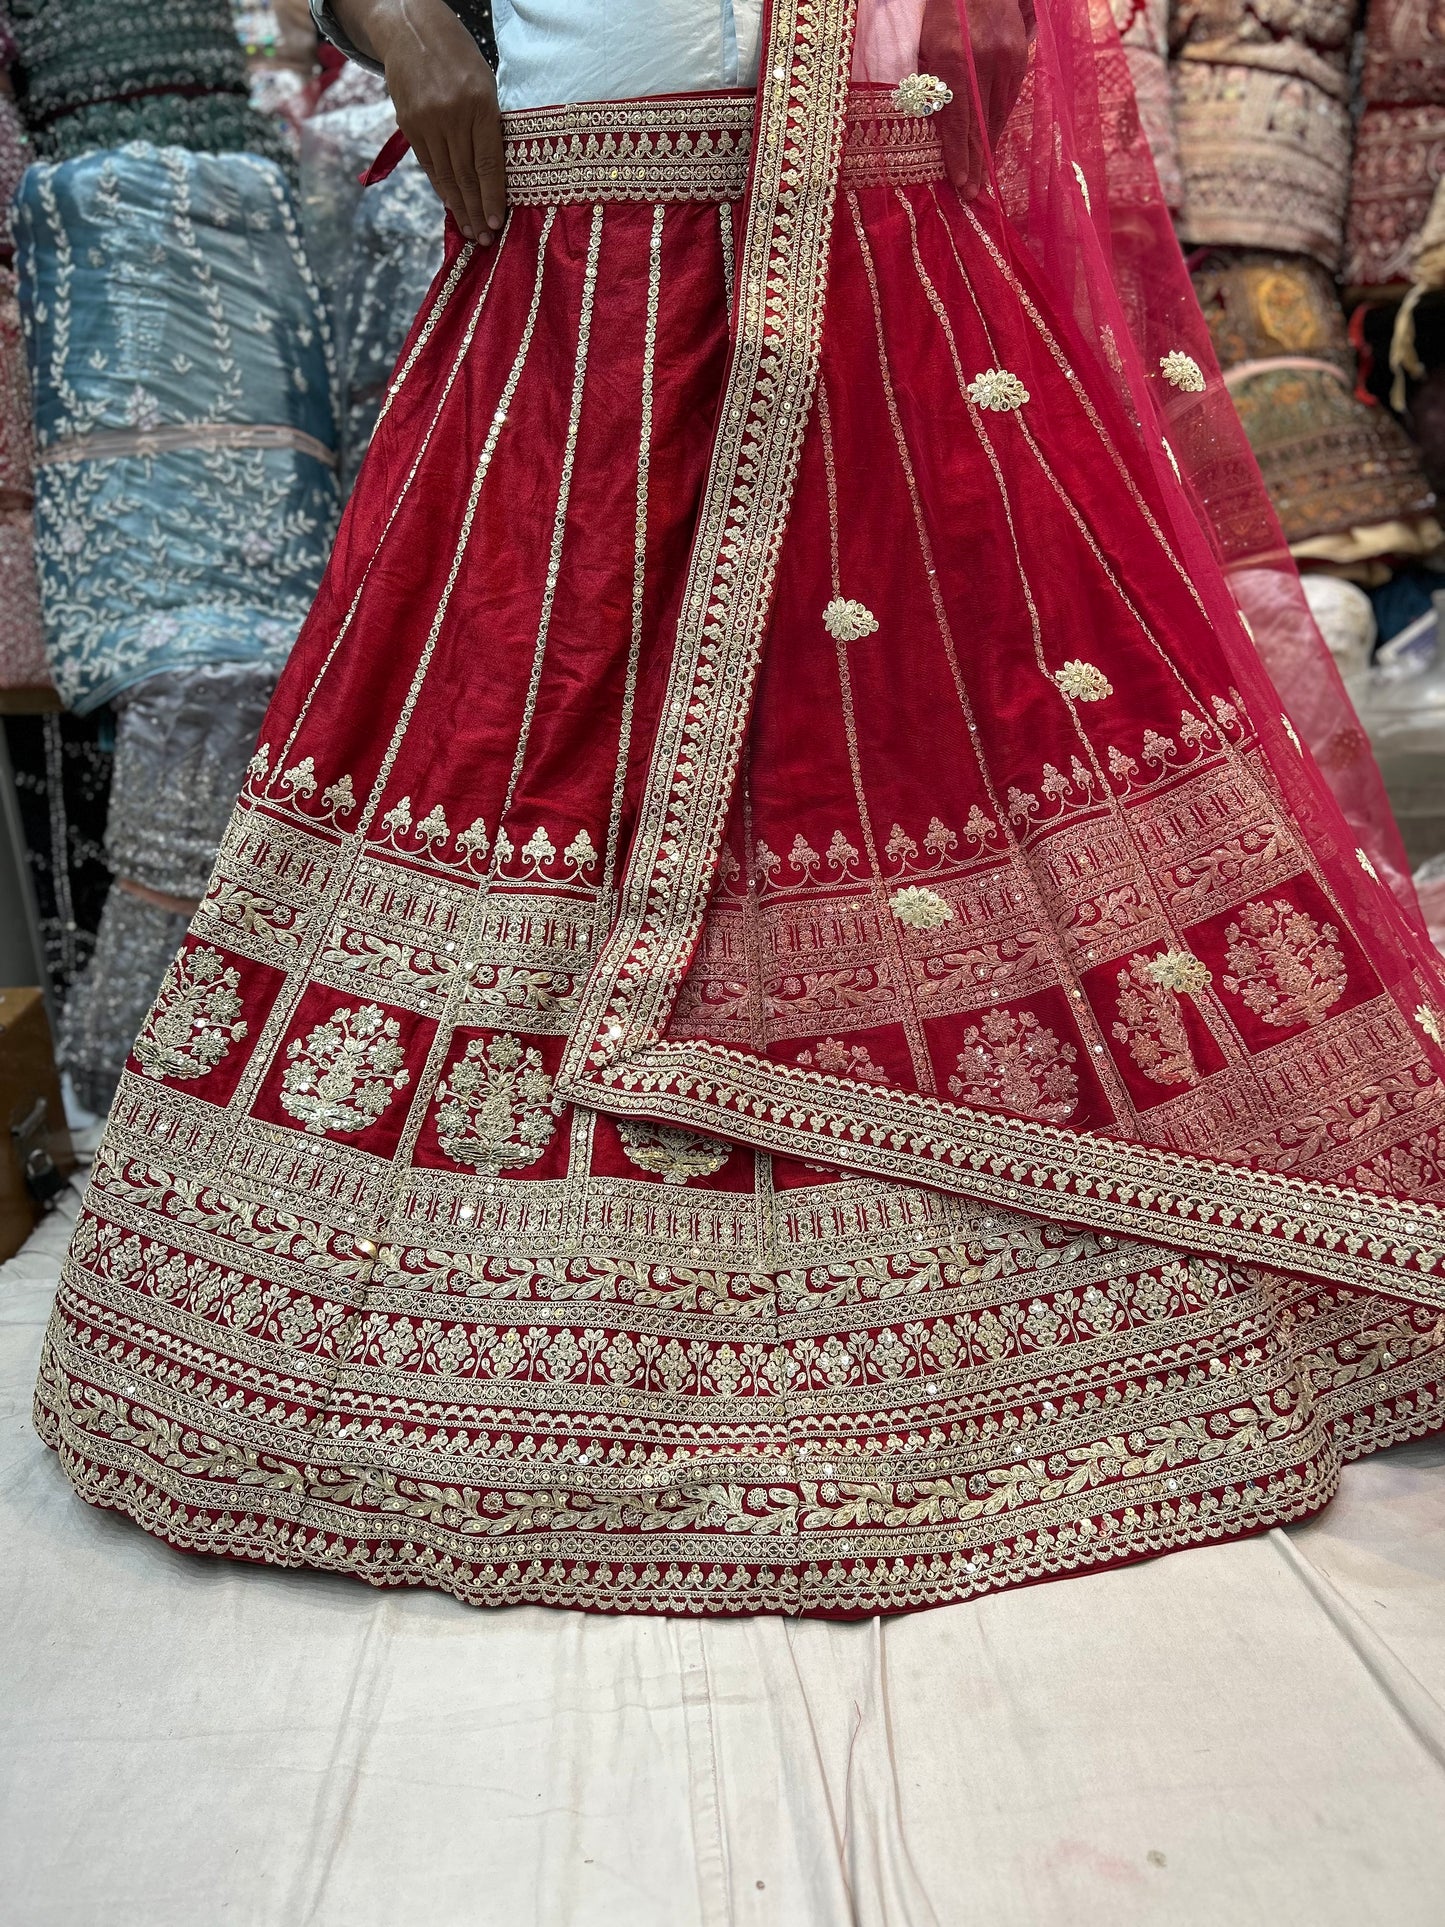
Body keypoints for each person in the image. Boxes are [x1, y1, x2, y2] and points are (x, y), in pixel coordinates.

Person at [35, 0, 1445, 1619]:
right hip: (583, 224)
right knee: (526, 705)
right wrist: (409, 23)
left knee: (947, 720)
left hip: (882, 216)